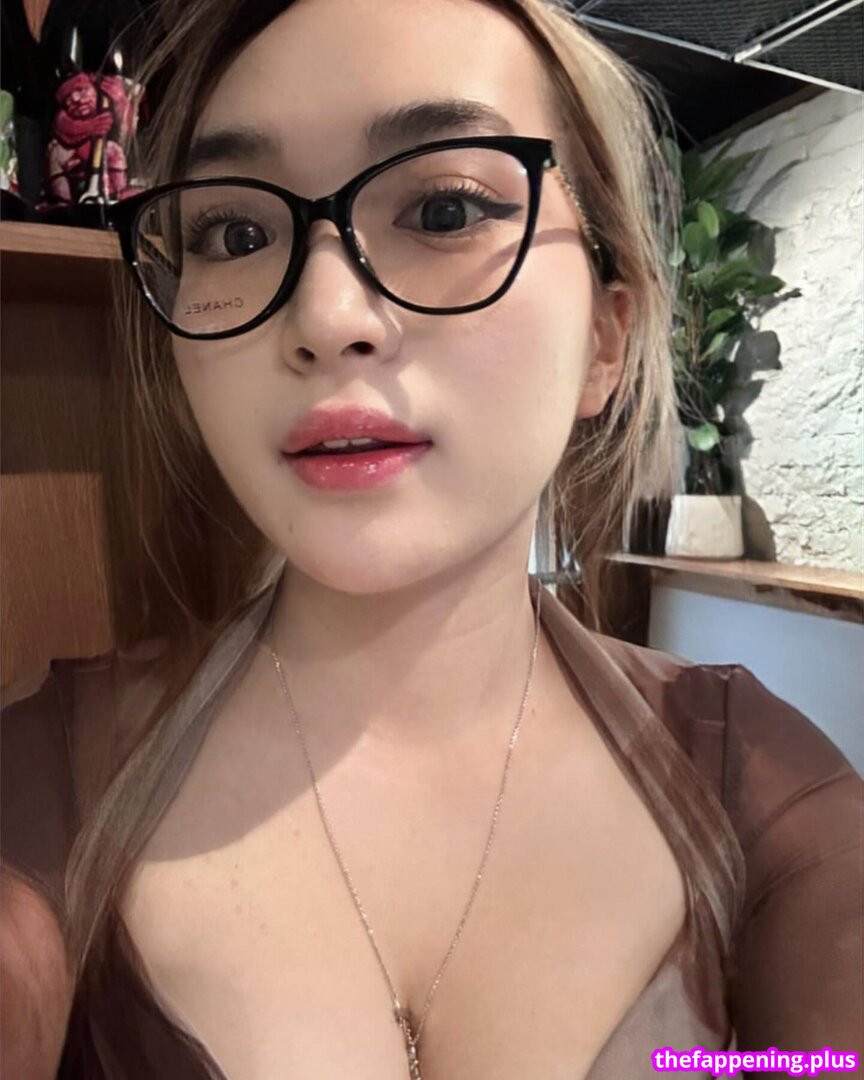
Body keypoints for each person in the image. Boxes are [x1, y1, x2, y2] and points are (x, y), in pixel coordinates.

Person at [2, 1, 861, 1078]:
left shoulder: (764, 789)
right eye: (237, 234)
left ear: (607, 337)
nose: (324, 317)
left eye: (446, 209)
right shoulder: (44, 780)